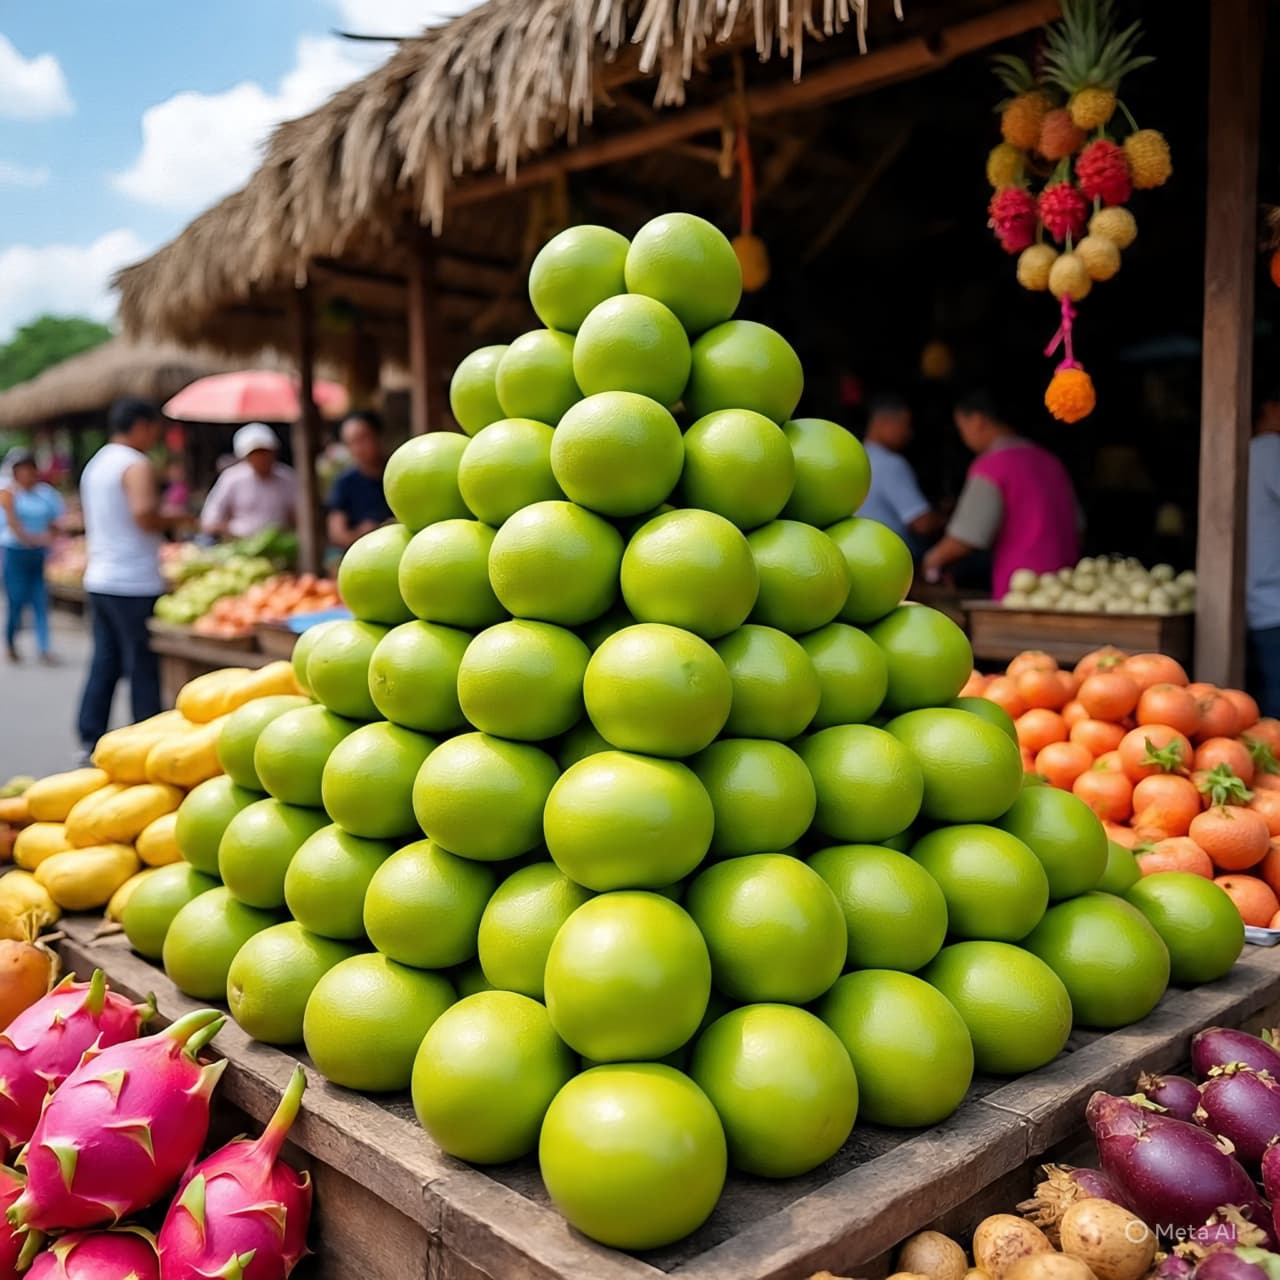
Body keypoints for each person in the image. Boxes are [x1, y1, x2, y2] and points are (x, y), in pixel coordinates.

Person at [76, 398, 183, 757]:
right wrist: (180, 519)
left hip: (100, 578)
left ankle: (90, 734)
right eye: (154, 429)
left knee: (105, 660)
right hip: (132, 580)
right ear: (140, 425)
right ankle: (146, 739)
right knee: (141, 665)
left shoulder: (97, 463)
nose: (154, 436)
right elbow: (144, 515)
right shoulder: (135, 464)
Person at [923, 390, 1080, 599]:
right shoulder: (1051, 462)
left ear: (977, 421)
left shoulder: (992, 466)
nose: (964, 438)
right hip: (1067, 589)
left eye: (962, 429)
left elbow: (966, 537)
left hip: (1021, 591)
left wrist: (932, 560)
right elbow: (1078, 526)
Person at [0, 448, 65, 664]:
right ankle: (10, 641)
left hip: (37, 554)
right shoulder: (8, 494)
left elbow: (56, 521)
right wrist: (33, 539)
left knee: (40, 600)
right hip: (15, 552)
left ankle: (44, 648)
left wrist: (47, 539)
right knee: (16, 600)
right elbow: (12, 524)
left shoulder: (46, 494)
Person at [858, 394, 941, 546]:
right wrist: (946, 519)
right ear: (883, 423)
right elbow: (922, 523)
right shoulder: (890, 463)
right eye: (905, 425)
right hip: (891, 558)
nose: (909, 433)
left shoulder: (854, 458)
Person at [200, 423, 296, 539]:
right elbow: (209, 520)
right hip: (239, 544)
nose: (262, 458)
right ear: (245, 457)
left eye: (265, 452)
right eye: (256, 454)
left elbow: (299, 516)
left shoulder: (288, 477)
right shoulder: (231, 478)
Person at [1247, 389, 1280, 717]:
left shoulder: (1250, 453)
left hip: (1260, 598)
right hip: (1273, 600)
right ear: (1270, 407)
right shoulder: (1268, 449)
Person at [326, 411, 391, 550]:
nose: (357, 448)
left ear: (379, 435)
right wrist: (363, 534)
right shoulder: (345, 483)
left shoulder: (397, 473)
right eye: (350, 443)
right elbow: (337, 534)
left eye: (362, 439)